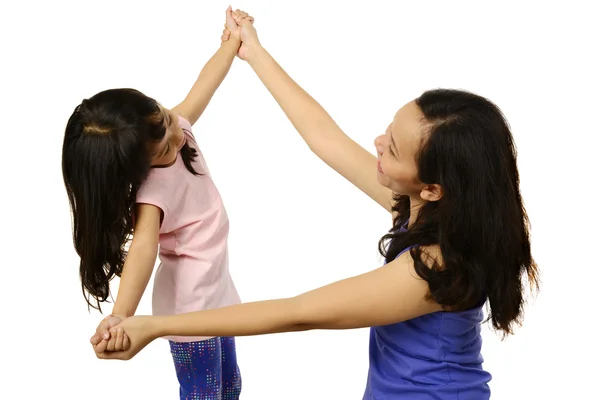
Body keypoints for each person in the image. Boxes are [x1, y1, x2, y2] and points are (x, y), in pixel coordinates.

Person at [93, 10, 539, 400]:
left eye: (394, 150)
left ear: (435, 187)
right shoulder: (424, 209)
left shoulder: (435, 267)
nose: (377, 144)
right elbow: (324, 138)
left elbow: (298, 313)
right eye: (388, 130)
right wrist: (254, 52)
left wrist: (153, 326)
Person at [62, 7, 254, 400]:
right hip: (187, 306)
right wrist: (122, 315)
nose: (177, 137)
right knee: (204, 392)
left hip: (217, 287)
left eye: (166, 119)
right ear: (137, 168)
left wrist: (232, 42)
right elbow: (143, 251)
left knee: (231, 384)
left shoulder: (173, 127)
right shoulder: (152, 194)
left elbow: (205, 84)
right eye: (164, 148)